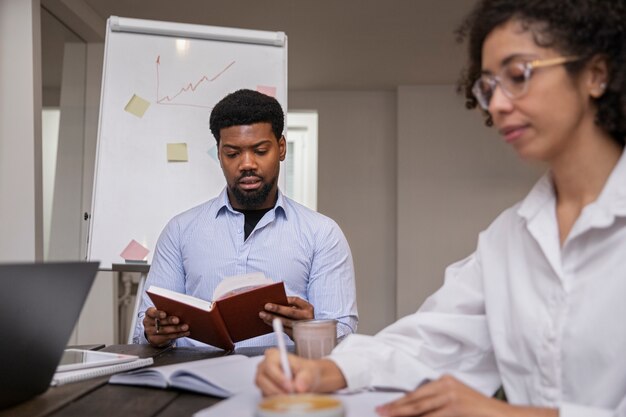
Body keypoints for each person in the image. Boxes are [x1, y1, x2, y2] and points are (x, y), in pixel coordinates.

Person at [255, 1, 626, 415]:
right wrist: (326, 372)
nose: (498, 105)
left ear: (596, 74)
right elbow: (431, 341)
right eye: (488, 87)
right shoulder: (510, 237)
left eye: (519, 74)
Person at [133, 89, 358, 348]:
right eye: (232, 153)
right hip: (193, 381)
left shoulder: (322, 233)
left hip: (281, 381)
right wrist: (153, 332)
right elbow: (145, 329)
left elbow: (345, 336)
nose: (247, 164)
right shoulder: (180, 230)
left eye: (260, 151)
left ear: (281, 148)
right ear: (218, 154)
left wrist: (311, 329)